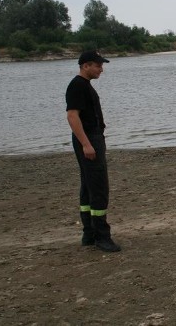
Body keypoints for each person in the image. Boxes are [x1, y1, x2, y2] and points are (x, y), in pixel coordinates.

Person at [66, 51, 121, 252]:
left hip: (92, 137)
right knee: (98, 186)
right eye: (98, 66)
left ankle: (89, 233)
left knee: (88, 185)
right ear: (86, 65)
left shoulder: (84, 86)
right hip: (89, 139)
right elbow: (72, 116)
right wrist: (86, 144)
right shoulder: (77, 85)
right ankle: (101, 236)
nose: (101, 69)